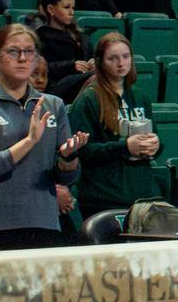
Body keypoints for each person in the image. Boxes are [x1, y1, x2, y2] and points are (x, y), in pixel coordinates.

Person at [0, 21, 88, 250]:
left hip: (44, 224)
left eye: (29, 52)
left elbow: (67, 178)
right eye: (13, 51)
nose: (22, 58)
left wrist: (68, 158)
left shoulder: (53, 105)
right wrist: (29, 142)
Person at [67, 32, 160, 219]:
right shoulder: (88, 100)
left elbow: (153, 137)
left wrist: (155, 145)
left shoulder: (140, 97)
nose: (121, 63)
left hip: (140, 194)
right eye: (113, 58)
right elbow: (84, 152)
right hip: (103, 197)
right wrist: (124, 146)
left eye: (126, 57)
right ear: (100, 62)